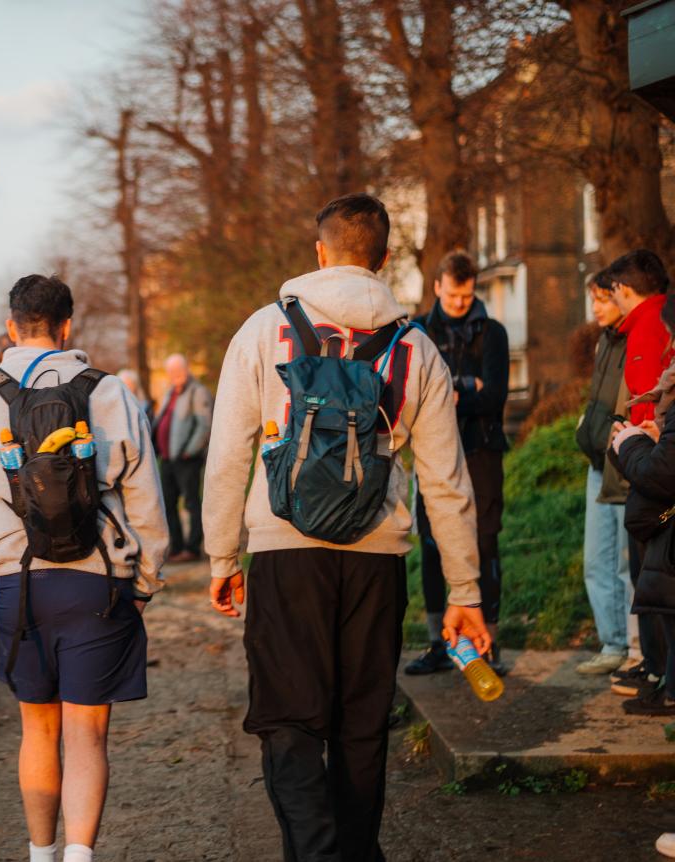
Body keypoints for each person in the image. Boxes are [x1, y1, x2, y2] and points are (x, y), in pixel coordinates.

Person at [203, 193, 489, 862]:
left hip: (284, 552)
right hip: (376, 556)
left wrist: (223, 557)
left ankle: (315, 852)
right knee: (362, 723)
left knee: (290, 720)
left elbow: (227, 456)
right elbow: (447, 483)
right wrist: (465, 593)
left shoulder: (260, 331)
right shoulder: (417, 348)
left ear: (319, 252)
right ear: (385, 261)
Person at [0, 274, 169, 862]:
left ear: (11, 328)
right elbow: (145, 496)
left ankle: (40, 853)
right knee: (86, 733)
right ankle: (79, 856)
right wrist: (143, 581)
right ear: (68, 327)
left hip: (18, 582)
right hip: (98, 580)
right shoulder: (111, 391)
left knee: (37, 729)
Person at [405, 251, 510, 676]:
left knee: (484, 544)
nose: (460, 303)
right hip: (432, 452)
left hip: (481, 451)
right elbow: (415, 391)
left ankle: (487, 643)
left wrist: (451, 393)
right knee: (431, 545)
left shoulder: (495, 333)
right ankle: (437, 644)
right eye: (453, 295)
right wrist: (467, 387)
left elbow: (495, 396)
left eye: (467, 297)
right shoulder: (418, 330)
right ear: (437, 287)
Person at [603, 249, 671, 700]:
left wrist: (635, 442)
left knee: (652, 573)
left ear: (623, 290)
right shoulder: (652, 319)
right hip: (652, 455)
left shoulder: (648, 323)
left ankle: (657, 670)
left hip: (650, 464)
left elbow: (650, 401)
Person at [574, 273, 634, 674]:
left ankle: (636, 650)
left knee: (625, 562)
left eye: (602, 299)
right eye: (592, 299)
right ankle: (612, 644)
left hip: (623, 466)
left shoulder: (636, 340)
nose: (595, 307)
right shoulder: (605, 340)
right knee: (596, 561)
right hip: (597, 466)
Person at [151, 354, 213, 563]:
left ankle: (193, 548)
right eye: (171, 372)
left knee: (191, 503)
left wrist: (190, 450)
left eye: (178, 371)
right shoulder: (170, 392)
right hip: (167, 459)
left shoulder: (198, 392)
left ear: (186, 370)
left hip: (187, 459)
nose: (174, 376)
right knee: (168, 503)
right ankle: (176, 547)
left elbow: (204, 425)